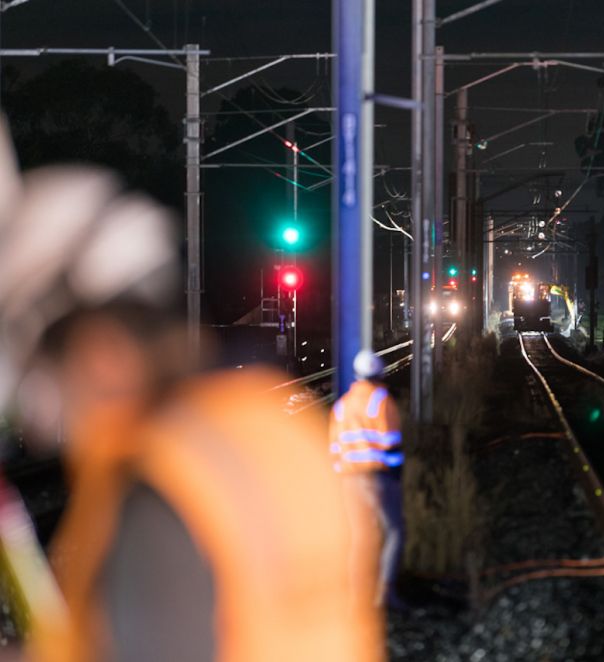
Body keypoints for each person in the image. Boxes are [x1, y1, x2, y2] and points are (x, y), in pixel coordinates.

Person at [0, 120, 382, 662]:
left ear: (98, 351)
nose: (47, 418)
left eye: (42, 373)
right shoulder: (272, 424)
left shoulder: (161, 486)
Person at [329, 351, 405, 609]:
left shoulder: (342, 406)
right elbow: (392, 445)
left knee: (360, 537)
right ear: (379, 374)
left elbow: (334, 449)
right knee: (394, 531)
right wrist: (396, 475)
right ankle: (385, 593)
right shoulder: (381, 401)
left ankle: (356, 598)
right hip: (377, 476)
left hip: (349, 480)